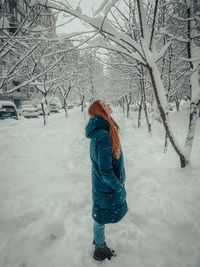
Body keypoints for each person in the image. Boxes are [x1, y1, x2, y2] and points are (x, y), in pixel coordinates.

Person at [85, 100, 128, 261]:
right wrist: (117, 186)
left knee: (99, 216)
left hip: (102, 185)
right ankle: (100, 250)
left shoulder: (104, 130)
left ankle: (98, 241)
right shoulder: (103, 135)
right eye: (104, 104)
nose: (108, 104)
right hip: (105, 185)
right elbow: (106, 171)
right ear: (101, 110)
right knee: (100, 218)